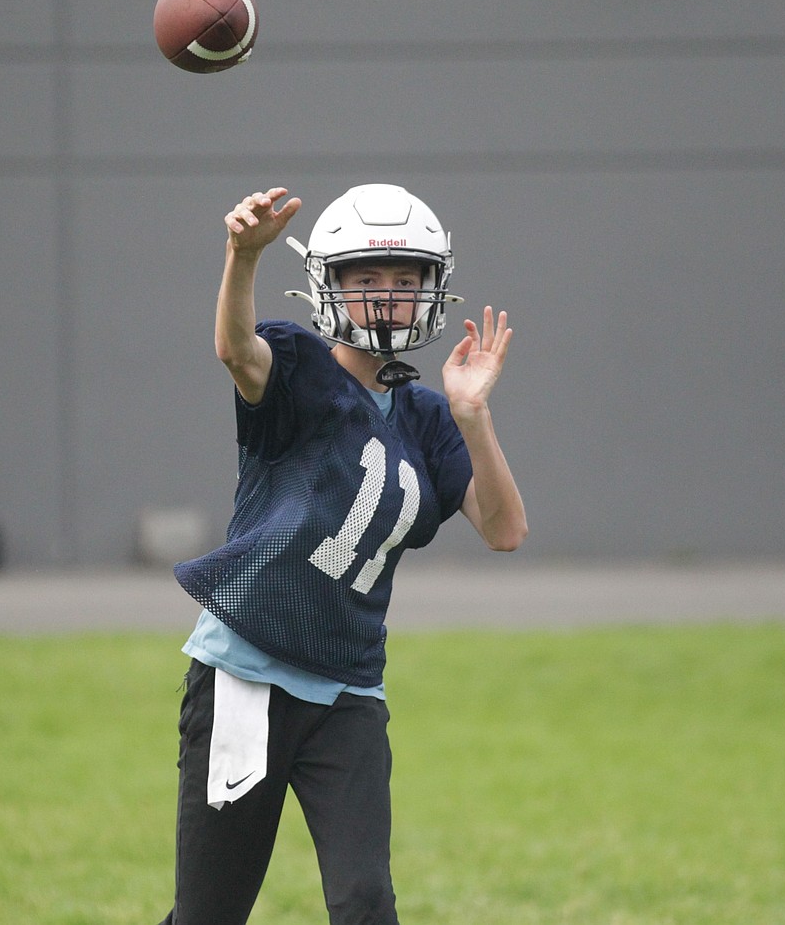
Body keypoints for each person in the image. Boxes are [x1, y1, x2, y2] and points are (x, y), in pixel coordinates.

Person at [157, 183, 527, 925]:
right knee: (210, 914)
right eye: (366, 279)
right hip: (246, 675)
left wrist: (473, 414)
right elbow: (236, 348)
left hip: (349, 688)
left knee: (365, 903)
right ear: (329, 285)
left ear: (433, 288)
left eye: (404, 279)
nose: (388, 297)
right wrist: (243, 256)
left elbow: (503, 528)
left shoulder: (427, 416)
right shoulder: (297, 365)